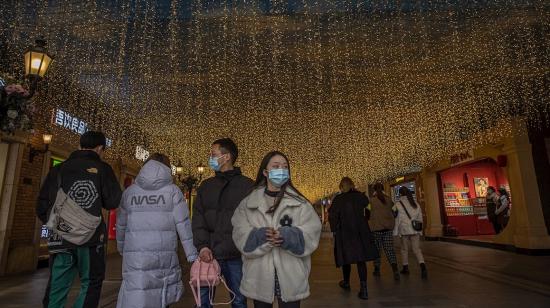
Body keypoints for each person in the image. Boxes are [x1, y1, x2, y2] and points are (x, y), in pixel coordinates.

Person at [36, 131, 122, 308]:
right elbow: (113, 201)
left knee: (57, 286)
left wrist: (60, 225)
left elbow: (42, 206)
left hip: (60, 239)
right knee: (90, 282)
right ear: (100, 148)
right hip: (90, 239)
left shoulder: (58, 169)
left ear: (79, 146)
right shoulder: (103, 169)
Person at [231, 151, 322, 308]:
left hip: (291, 276)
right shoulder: (248, 203)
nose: (281, 169)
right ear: (265, 172)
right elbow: (239, 232)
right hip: (258, 276)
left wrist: (288, 236)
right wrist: (261, 236)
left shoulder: (299, 203)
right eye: (276, 166)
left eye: (285, 167)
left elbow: (312, 230)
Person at [116, 153, 198, 308]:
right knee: (160, 292)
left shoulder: (130, 192)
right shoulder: (173, 191)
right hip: (163, 252)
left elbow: (121, 224)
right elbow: (183, 224)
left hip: (135, 254)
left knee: (137, 290)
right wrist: (192, 254)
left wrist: (121, 248)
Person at [192, 138, 254, 308]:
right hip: (208, 254)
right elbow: (198, 218)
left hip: (237, 256)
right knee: (203, 302)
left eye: (213, 154)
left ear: (226, 157)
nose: (210, 158)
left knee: (240, 301)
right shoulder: (206, 186)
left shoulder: (248, 186)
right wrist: (203, 246)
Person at [328, 177, 378, 300]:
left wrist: (334, 230)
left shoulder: (338, 199)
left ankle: (346, 282)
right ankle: (364, 289)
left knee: (345, 257)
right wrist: (365, 219)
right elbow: (369, 208)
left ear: (341, 187)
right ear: (352, 185)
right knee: (361, 260)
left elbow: (332, 216)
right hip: (360, 231)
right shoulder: (360, 197)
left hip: (345, 233)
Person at [394, 186, 427, 279]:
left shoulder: (398, 204)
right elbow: (420, 217)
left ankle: (405, 267)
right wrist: (420, 230)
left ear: (400, 194)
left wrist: (395, 231)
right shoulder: (415, 203)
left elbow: (397, 219)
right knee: (416, 249)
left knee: (404, 249)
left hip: (404, 229)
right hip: (415, 229)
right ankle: (423, 266)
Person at [369, 183, 400, 280]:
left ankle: (377, 269)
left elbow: (366, 213)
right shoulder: (389, 200)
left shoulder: (371, 201)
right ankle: (395, 270)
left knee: (377, 250)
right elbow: (396, 211)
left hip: (376, 229)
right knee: (389, 250)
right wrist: (390, 218)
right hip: (388, 229)